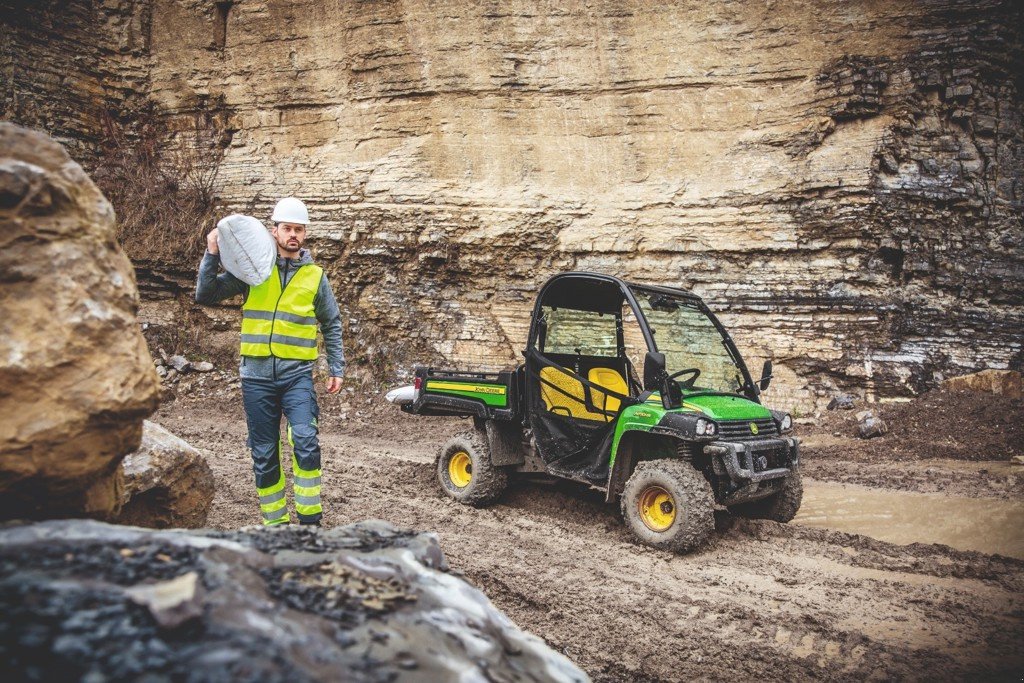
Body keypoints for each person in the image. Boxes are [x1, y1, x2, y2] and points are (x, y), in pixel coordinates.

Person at [195, 197, 345, 526]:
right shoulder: (253, 271)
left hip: (297, 377)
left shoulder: (315, 277)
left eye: (299, 229)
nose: (293, 234)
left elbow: (331, 322)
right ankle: (275, 526)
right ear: (273, 230)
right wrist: (212, 254)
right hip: (256, 378)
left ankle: (310, 525)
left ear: (305, 234)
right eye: (287, 228)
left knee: (305, 439)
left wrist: (337, 367)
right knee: (264, 454)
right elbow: (206, 294)